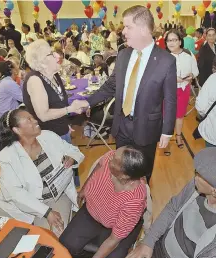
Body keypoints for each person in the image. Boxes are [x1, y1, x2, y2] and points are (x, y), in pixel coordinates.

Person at [103, 147, 216, 258]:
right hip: (157, 251)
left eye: (199, 174)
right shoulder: (198, 187)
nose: (195, 176)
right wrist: (149, 241)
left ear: (215, 190)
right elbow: (173, 207)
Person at [77, 5, 177, 182]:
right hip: (121, 126)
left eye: (128, 27)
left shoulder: (166, 60)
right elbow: (110, 86)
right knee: (122, 171)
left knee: (143, 174)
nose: (123, 32)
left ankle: (143, 203)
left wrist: (167, 131)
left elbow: (170, 100)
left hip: (147, 129)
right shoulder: (123, 55)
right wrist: (88, 102)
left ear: (144, 29)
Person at [0, 108, 84, 236]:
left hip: (55, 197)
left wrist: (72, 158)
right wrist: (46, 212)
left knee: (50, 239)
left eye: (33, 117)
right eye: (29, 120)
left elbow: (74, 150)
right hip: (16, 205)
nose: (35, 120)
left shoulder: (48, 136)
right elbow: (16, 194)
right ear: (17, 130)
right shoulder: (7, 156)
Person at [60, 147, 147, 258]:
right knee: (66, 244)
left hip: (115, 227)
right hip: (92, 211)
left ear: (123, 175)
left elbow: (114, 239)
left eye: (114, 159)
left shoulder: (134, 199)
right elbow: (99, 165)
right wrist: (85, 187)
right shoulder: (110, 158)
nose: (110, 155)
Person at [23, 39, 83, 140]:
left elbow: (58, 104)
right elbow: (43, 115)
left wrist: (65, 124)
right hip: (48, 137)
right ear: (42, 61)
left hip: (61, 130)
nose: (56, 55)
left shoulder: (54, 75)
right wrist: (70, 109)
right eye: (51, 53)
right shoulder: (35, 80)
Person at [165, 29, 198, 153]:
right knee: (167, 117)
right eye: (169, 40)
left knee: (179, 116)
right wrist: (172, 78)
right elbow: (159, 75)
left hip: (184, 89)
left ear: (180, 41)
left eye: (174, 40)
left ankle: (178, 137)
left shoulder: (188, 54)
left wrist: (192, 76)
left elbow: (195, 70)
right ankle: (166, 140)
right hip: (168, 91)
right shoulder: (164, 56)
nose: (171, 43)